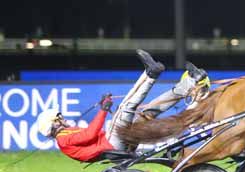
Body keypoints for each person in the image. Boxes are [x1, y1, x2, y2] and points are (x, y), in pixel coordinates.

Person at [36, 50, 210, 162]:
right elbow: (91, 134)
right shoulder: (64, 140)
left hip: (113, 141)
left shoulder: (66, 135)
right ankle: (151, 74)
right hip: (112, 146)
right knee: (125, 108)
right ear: (55, 124)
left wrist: (103, 110)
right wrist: (103, 111)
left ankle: (188, 84)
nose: (63, 118)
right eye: (59, 117)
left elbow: (91, 135)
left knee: (147, 112)